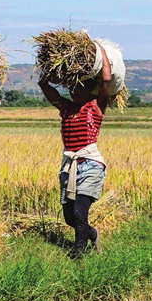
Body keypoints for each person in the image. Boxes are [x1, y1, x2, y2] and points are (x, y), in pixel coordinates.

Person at [38, 43, 113, 258]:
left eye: (79, 87)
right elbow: (45, 86)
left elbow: (107, 80)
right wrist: (50, 67)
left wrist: (102, 53)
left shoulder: (95, 106)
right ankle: (92, 234)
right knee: (70, 218)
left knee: (80, 213)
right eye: (72, 87)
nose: (74, 91)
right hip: (69, 166)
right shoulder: (65, 107)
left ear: (90, 89)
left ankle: (78, 255)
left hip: (90, 164)